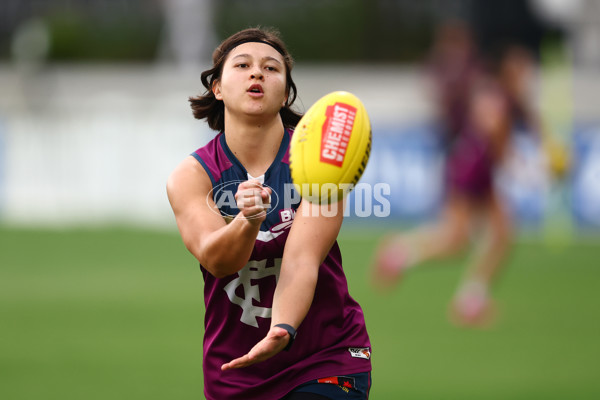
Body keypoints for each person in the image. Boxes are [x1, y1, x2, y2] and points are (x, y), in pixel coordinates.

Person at [167, 27, 372, 400]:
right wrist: (248, 220)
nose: (257, 73)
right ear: (217, 87)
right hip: (235, 370)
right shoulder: (192, 176)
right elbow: (218, 260)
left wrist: (282, 329)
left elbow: (301, 261)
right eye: (242, 65)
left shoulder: (321, 162)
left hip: (324, 356)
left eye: (271, 68)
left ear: (286, 93)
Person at [372, 22, 517, 326]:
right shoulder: (488, 89)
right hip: (470, 166)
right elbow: (493, 134)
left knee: (498, 234)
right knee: (456, 239)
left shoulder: (467, 80)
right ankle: (402, 254)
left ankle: (470, 298)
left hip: (471, 164)